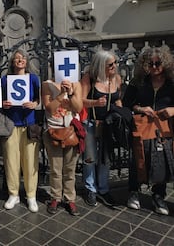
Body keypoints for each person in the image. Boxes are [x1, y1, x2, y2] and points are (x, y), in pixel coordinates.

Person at [123, 46, 174, 215]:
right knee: (137, 158)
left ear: (165, 63)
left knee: (162, 159)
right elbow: (127, 103)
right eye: (150, 64)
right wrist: (141, 108)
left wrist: (173, 110)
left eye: (157, 63)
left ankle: (158, 195)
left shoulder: (171, 82)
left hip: (164, 127)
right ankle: (134, 192)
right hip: (142, 126)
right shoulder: (138, 81)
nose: (154, 67)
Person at [80, 50, 122, 207]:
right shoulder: (89, 78)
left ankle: (103, 189)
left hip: (108, 125)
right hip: (91, 122)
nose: (114, 66)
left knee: (106, 158)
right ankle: (90, 188)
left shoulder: (116, 79)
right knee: (90, 158)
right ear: (101, 65)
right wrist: (95, 103)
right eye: (110, 64)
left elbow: (118, 100)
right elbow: (81, 101)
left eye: (115, 63)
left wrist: (121, 115)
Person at [1, 49, 41, 212]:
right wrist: (3, 104)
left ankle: (31, 195)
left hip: (28, 125)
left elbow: (39, 98)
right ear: (12, 62)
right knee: (11, 161)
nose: (20, 60)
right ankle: (13, 194)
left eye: (23, 58)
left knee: (30, 161)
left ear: (26, 61)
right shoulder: (5, 80)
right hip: (11, 124)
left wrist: (35, 104)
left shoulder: (33, 79)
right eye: (17, 58)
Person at [42, 78, 83, 216]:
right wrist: (60, 95)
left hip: (71, 131)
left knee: (70, 168)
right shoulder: (47, 84)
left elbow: (78, 108)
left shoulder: (76, 84)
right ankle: (55, 197)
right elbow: (49, 108)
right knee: (55, 168)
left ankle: (70, 198)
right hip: (54, 131)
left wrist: (70, 93)